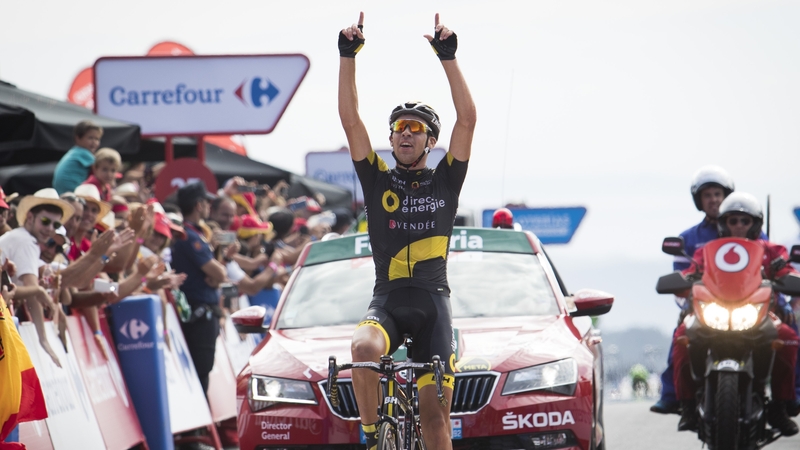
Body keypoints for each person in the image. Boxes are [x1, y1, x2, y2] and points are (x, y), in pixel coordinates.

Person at [338, 12, 476, 450]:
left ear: (430, 141)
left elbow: (468, 120)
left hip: (434, 308)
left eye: (416, 129)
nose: (405, 134)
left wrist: (448, 58)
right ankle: (375, 434)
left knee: (436, 420)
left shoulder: (446, 180)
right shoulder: (378, 179)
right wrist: (348, 56)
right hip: (389, 301)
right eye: (399, 127)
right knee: (362, 348)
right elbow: (350, 119)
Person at [672, 192, 799, 435]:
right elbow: (690, 272)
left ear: (755, 224)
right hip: (713, 314)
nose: (739, 226)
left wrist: (787, 275)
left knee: (789, 339)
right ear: (723, 224)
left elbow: (789, 272)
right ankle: (687, 405)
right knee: (680, 338)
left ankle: (781, 406)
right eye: (733, 220)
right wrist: (682, 280)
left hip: (759, 315)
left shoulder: (772, 250)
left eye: (745, 221)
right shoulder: (707, 251)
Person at [651, 165, 736, 414]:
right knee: (681, 336)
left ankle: (786, 400)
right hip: (705, 307)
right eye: (708, 195)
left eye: (718, 194)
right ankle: (675, 397)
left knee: (786, 334)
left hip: (748, 306)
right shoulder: (689, 238)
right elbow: (682, 280)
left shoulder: (746, 229)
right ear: (699, 201)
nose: (714, 200)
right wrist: (688, 303)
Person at [0, 188, 74, 367]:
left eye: (55, 225)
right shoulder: (26, 242)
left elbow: (32, 292)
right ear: (30, 218)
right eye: (45, 221)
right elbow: (33, 291)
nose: (49, 229)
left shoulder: (23, 238)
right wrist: (44, 341)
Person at [170, 181, 227, 395]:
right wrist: (215, 275)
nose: (208, 207)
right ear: (198, 205)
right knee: (201, 370)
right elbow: (219, 274)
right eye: (206, 202)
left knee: (201, 370)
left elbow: (216, 277)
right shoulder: (189, 235)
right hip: (198, 314)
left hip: (199, 312)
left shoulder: (194, 233)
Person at [52, 120, 102, 195]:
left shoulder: (74, 151)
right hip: (73, 193)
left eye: (97, 139)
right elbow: (100, 172)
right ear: (78, 138)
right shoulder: (84, 153)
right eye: (90, 138)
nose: (94, 142)